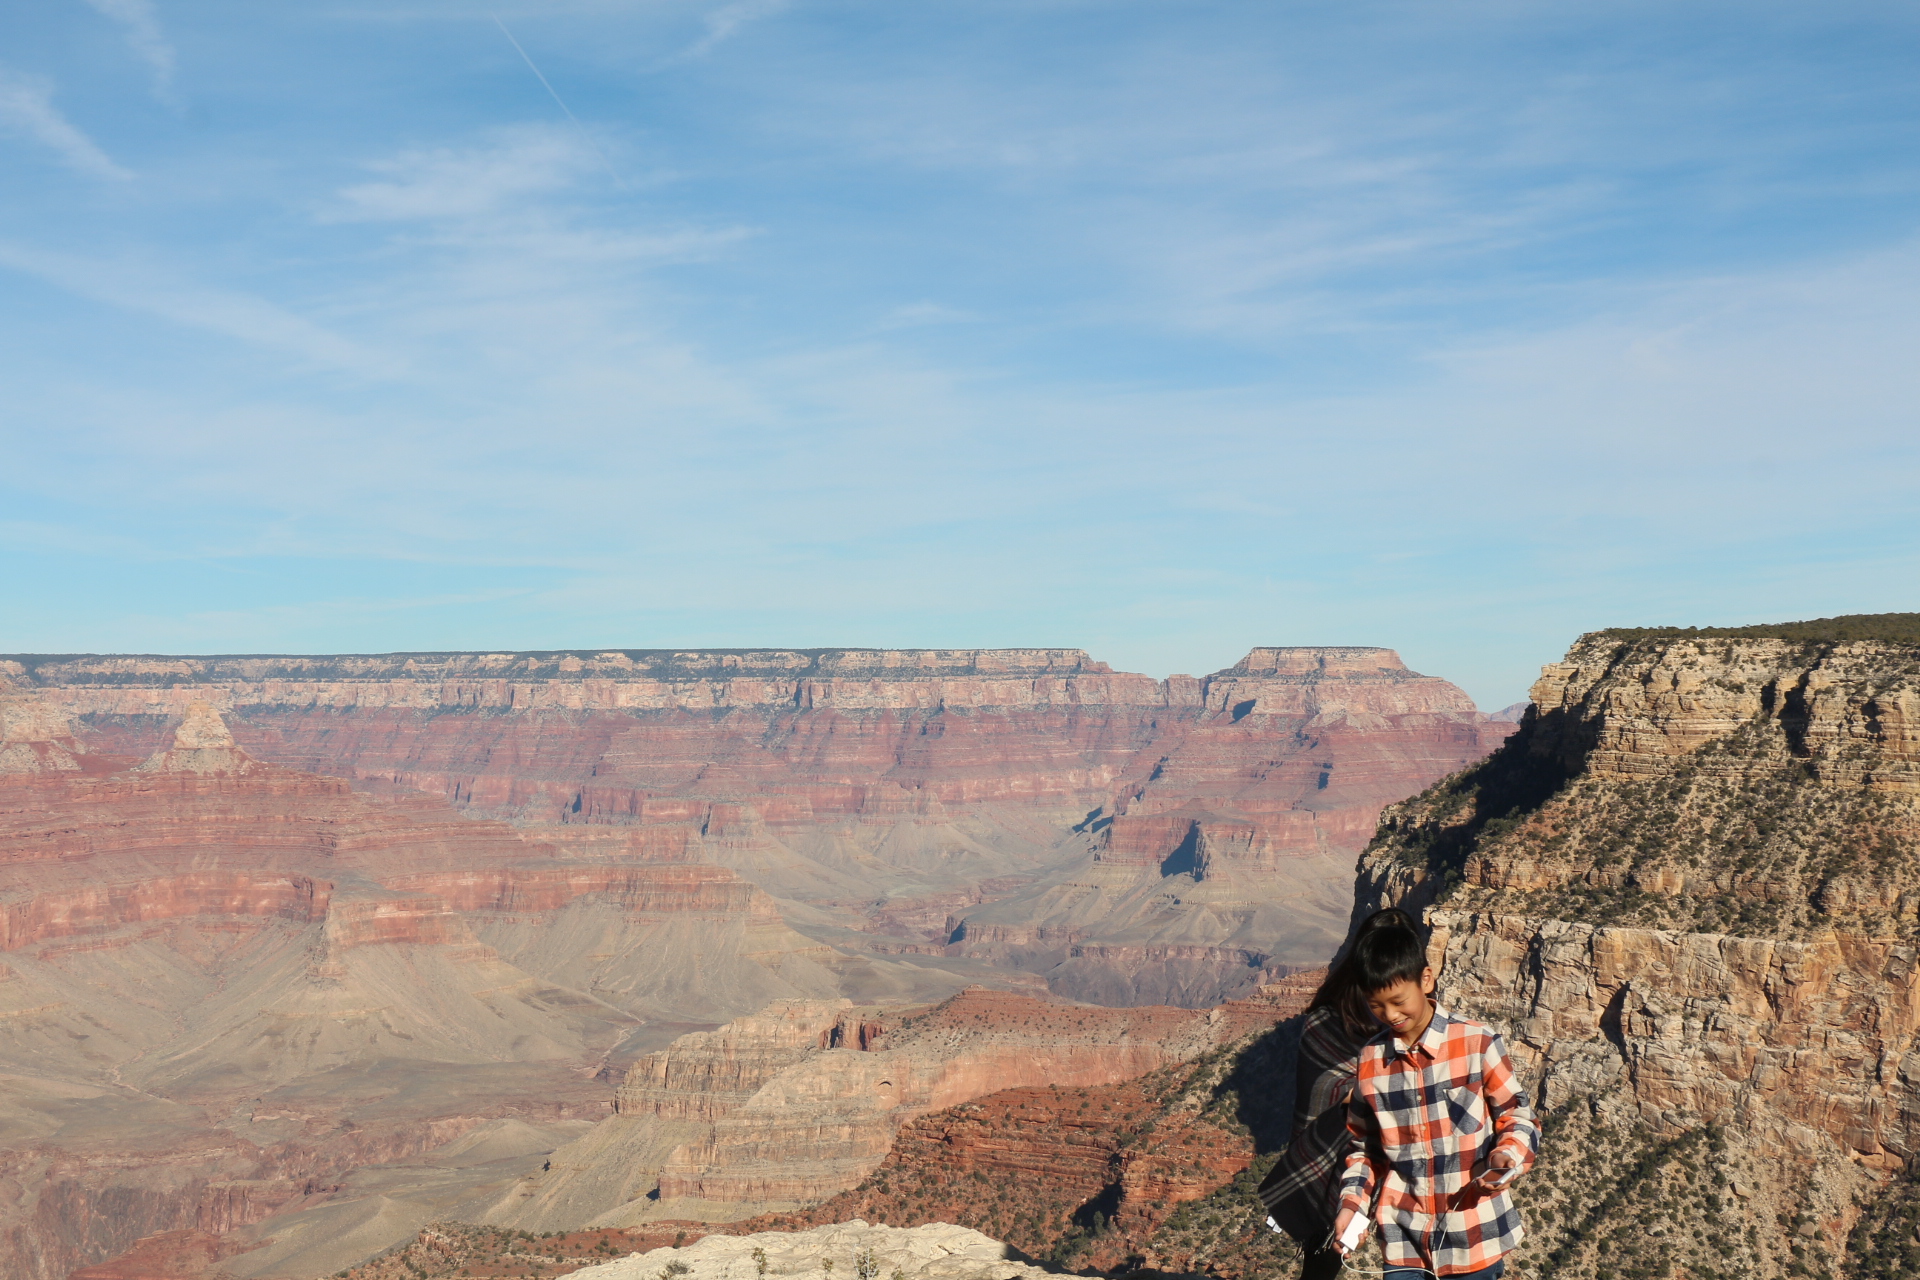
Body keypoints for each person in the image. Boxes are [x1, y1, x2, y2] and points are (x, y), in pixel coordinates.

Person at [1332, 922, 1539, 1280]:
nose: (1391, 1015)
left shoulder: (1478, 1043)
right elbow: (1364, 1149)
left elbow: (1518, 1116)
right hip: (1403, 1241)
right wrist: (1351, 1204)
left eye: (1399, 1002)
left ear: (1426, 980)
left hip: (1474, 1237)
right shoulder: (1371, 1061)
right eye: (1376, 1006)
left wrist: (1509, 1157)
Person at [1257, 907, 1419, 1280]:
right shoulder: (1327, 1022)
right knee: (1326, 1242)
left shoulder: (1415, 1021)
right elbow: (1317, 1098)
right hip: (1336, 1151)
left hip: (1405, 1151)